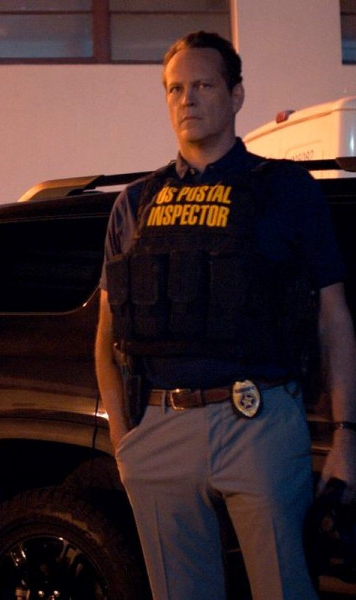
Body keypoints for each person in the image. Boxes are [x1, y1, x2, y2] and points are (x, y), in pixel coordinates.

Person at [94, 31, 356, 599]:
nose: (187, 99)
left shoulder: (286, 189)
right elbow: (106, 335)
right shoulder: (134, 203)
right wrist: (124, 441)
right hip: (158, 427)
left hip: (259, 422)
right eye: (175, 89)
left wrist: (345, 436)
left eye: (203, 85)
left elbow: (333, 317)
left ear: (236, 95)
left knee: (285, 589)